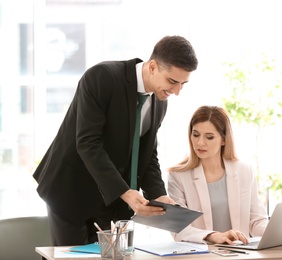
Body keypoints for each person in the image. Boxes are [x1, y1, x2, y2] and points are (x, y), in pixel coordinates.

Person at [33, 35, 198, 246]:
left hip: (111, 201)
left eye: (183, 84)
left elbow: (148, 153)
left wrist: (159, 195)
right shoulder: (103, 77)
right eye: (172, 81)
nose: (176, 92)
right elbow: (88, 142)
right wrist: (124, 192)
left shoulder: (160, 101)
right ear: (153, 67)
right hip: (71, 190)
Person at [167, 106, 269, 245]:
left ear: (224, 140)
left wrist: (280, 231)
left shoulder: (244, 170)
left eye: (209, 137)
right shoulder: (178, 176)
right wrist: (213, 236)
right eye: (195, 135)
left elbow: (256, 221)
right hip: (202, 255)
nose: (200, 142)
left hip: (240, 254)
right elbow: (178, 228)